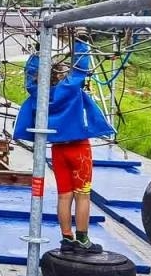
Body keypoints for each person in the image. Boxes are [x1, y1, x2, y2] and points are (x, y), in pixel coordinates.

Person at [14, 33, 116, 255]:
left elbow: (31, 76)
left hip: (58, 150)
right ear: (61, 74)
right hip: (79, 149)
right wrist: (81, 41)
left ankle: (66, 237)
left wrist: (39, 53)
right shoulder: (70, 88)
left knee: (63, 195)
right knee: (83, 194)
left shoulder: (40, 92)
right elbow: (80, 68)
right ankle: (82, 239)